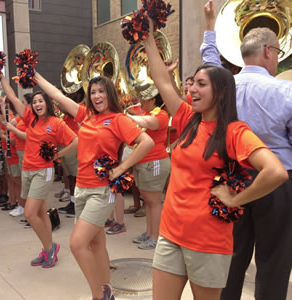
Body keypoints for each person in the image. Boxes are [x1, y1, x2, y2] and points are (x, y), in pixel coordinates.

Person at [143, 17, 288, 300]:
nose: (191, 89)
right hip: (170, 235)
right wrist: (148, 38)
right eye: (191, 84)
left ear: (220, 92)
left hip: (207, 242)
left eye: (201, 84)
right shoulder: (186, 118)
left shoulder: (235, 132)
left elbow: (276, 172)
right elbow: (161, 79)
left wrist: (236, 199)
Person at [200, 2, 292, 300]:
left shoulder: (224, 86)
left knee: (233, 255)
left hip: (233, 178)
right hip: (277, 179)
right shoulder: (285, 92)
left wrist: (210, 25)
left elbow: (210, 62)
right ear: (268, 51)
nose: (278, 58)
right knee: (274, 260)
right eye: (278, 52)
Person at [35, 72, 154, 300]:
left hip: (101, 192)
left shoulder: (119, 119)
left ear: (109, 93)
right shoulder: (86, 116)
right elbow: (58, 96)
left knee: (77, 244)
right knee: (96, 242)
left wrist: (120, 169)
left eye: (101, 91)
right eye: (93, 92)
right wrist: (37, 77)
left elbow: (146, 142)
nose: (97, 95)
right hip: (81, 188)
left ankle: (99, 295)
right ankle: (107, 287)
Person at [0, 74, 78, 268]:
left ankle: (51, 248)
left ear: (47, 103)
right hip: (27, 169)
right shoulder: (30, 118)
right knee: (41, 213)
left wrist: (57, 156)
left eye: (40, 101)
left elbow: (76, 141)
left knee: (30, 214)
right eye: (34, 102)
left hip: (43, 172)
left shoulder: (56, 123)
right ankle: (47, 248)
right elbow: (14, 98)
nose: (37, 104)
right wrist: (1, 77)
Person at [127, 94, 171, 249]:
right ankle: (149, 233)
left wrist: (128, 117)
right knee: (148, 201)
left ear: (153, 100)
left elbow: (150, 124)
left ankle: (155, 236)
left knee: (154, 202)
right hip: (144, 162)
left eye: (144, 99)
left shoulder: (162, 114)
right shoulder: (145, 112)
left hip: (155, 162)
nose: (140, 102)